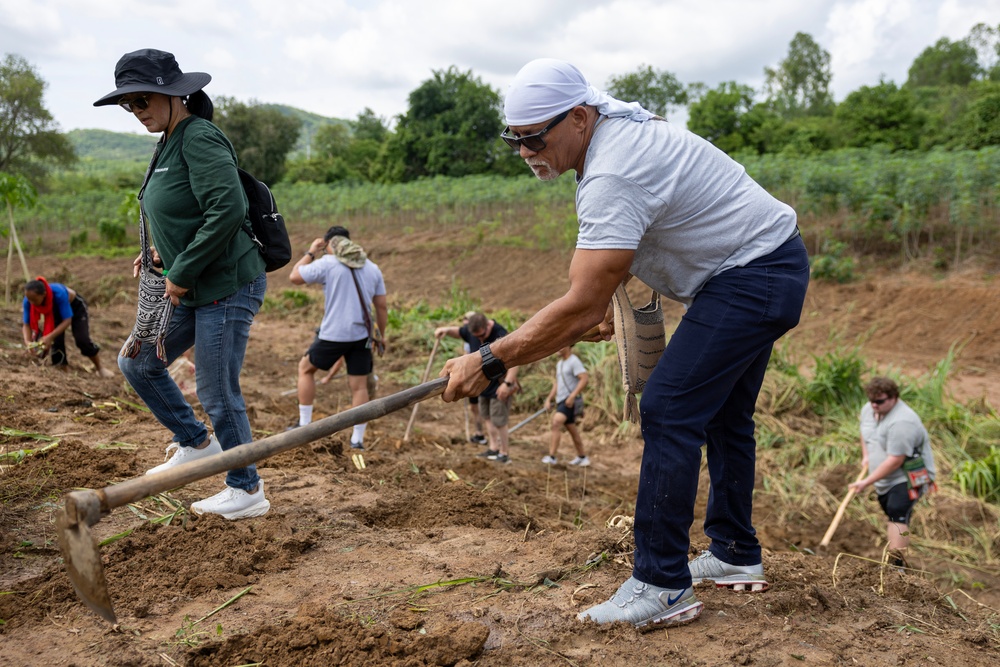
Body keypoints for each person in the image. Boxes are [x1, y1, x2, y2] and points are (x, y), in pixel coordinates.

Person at [440, 58, 810, 629]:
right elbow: (600, 289)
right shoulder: (615, 140)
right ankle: (736, 552)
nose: (525, 152)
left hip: (752, 276)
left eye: (535, 137)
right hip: (762, 266)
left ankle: (662, 583)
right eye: (514, 140)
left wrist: (489, 358)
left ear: (580, 118)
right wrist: (590, 313)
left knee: (668, 407)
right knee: (724, 414)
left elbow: (582, 301)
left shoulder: (613, 172)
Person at [95, 49, 270, 520]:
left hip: (227, 284)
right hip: (192, 283)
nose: (138, 111)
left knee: (216, 390)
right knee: (137, 362)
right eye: (129, 105)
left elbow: (227, 210)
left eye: (143, 100)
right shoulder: (167, 140)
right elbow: (185, 211)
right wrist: (160, 252)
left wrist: (181, 269)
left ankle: (246, 488)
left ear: (172, 93)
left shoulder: (198, 137)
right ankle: (196, 442)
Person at [289, 225, 387, 450]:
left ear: (329, 244)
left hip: (334, 333)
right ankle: (357, 439)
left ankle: (304, 426)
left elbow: (294, 276)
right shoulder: (372, 267)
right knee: (359, 386)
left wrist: (312, 251)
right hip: (362, 334)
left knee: (306, 368)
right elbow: (381, 306)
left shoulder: (327, 263)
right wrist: (380, 336)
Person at [848, 377, 936, 568]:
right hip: (885, 478)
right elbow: (865, 431)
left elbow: (896, 460)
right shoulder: (869, 409)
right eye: (871, 400)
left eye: (879, 401)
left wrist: (866, 482)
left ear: (894, 398)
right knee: (890, 511)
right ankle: (897, 558)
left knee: (897, 513)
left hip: (907, 476)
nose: (874, 405)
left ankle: (897, 567)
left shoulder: (903, 422)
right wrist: (866, 456)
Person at [435, 312, 519, 463]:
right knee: (486, 417)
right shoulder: (471, 331)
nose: (480, 339)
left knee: (499, 421)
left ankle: (504, 453)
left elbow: (515, 360)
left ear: (488, 325)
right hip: (483, 386)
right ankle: (493, 448)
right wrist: (446, 330)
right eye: (477, 336)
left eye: (482, 335)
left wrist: (507, 383)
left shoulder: (500, 334)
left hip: (499, 385)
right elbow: (459, 332)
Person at [21, 278, 114, 377]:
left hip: (76, 307)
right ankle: (61, 368)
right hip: (56, 311)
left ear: (43, 295)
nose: (31, 303)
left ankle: (100, 367)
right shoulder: (28, 301)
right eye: (29, 300)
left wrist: (49, 336)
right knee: (57, 340)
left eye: (34, 300)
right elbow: (26, 324)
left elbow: (67, 320)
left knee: (82, 339)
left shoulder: (59, 294)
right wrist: (28, 342)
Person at [542, 345, 589, 466]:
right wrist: (549, 399)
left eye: (561, 344)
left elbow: (584, 378)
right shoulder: (560, 363)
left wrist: (572, 396)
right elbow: (557, 383)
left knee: (556, 423)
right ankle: (582, 457)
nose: (557, 347)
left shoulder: (574, 361)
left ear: (568, 346)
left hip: (569, 402)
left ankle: (552, 456)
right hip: (561, 401)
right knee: (572, 429)